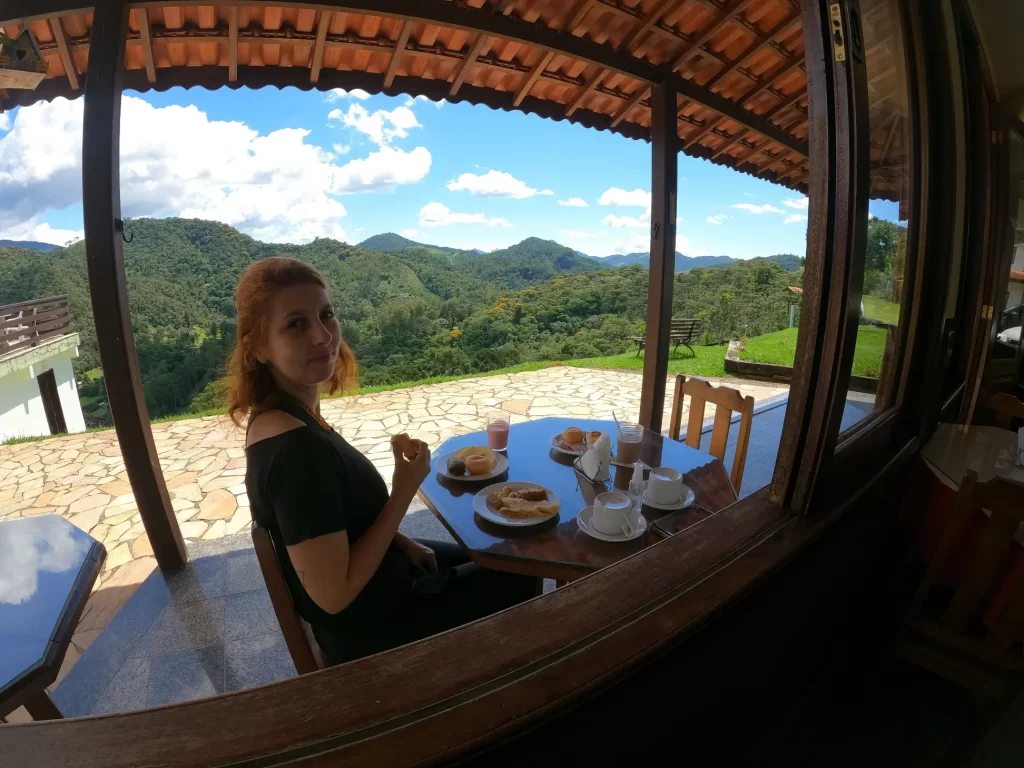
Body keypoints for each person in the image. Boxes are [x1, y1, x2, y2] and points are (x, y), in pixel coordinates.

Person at [227, 257, 536, 664]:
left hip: (384, 579)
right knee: (524, 569)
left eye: (327, 315)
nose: (323, 337)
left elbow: (339, 520)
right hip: (376, 627)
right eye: (296, 324)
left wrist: (402, 540)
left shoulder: (282, 418)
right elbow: (334, 596)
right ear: (259, 347)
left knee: (498, 551)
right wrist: (404, 490)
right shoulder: (296, 454)